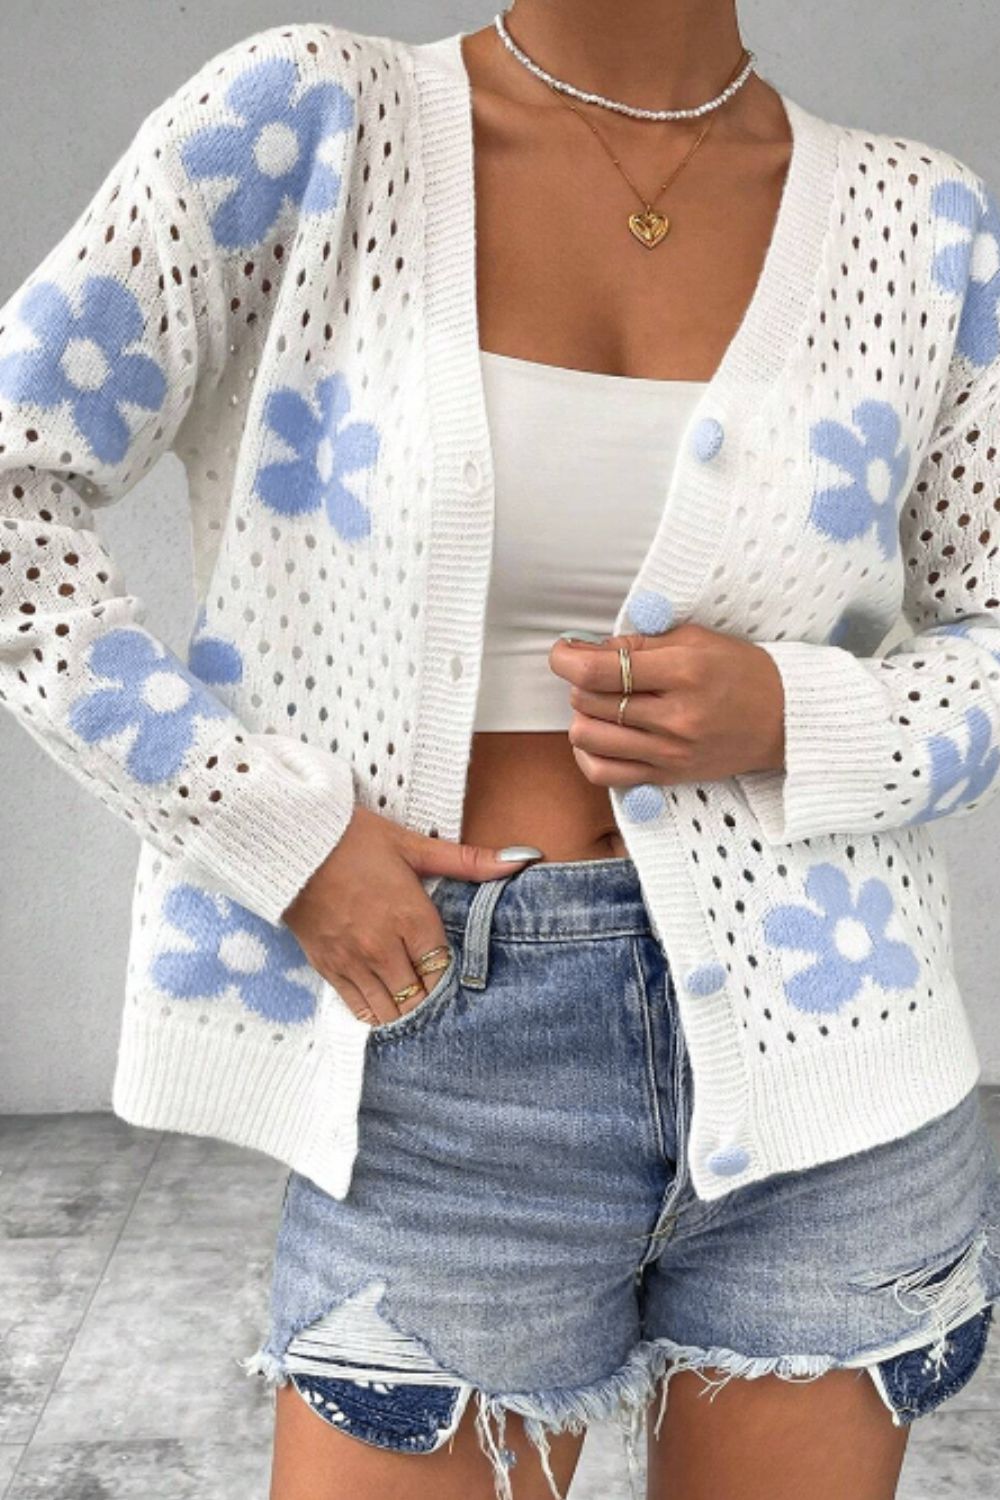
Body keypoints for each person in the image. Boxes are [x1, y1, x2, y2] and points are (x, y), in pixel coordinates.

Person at [2, 3, 1000, 1498]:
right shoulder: (309, 122)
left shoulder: (922, 224)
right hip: (437, 1045)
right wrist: (272, 834)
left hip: (831, 1049)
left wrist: (804, 715)